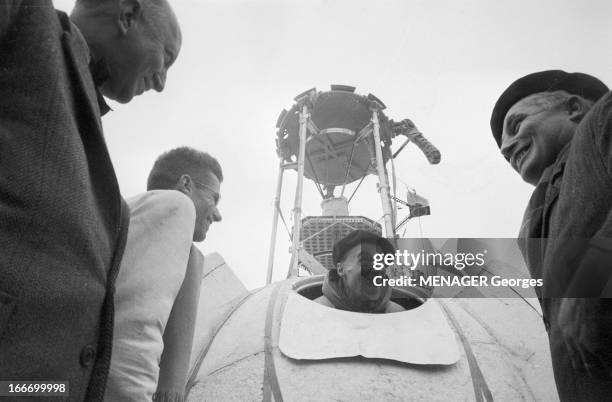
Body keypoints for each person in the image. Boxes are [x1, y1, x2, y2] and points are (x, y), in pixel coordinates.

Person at [0, 1, 181, 400]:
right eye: (166, 56)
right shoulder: (29, 18)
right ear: (128, 16)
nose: (163, 82)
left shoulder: (88, 123)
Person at [490, 70, 612, 400]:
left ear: (573, 108)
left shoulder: (603, 118)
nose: (507, 149)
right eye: (503, 151)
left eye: (516, 125)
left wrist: (589, 284)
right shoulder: (537, 215)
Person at [105, 147, 222, 401]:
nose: (218, 215)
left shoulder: (131, 214)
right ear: (186, 184)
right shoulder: (177, 205)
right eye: (214, 198)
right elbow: (135, 332)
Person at [315, 230, 404, 313]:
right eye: (365, 260)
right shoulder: (315, 312)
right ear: (340, 269)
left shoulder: (399, 314)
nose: (377, 269)